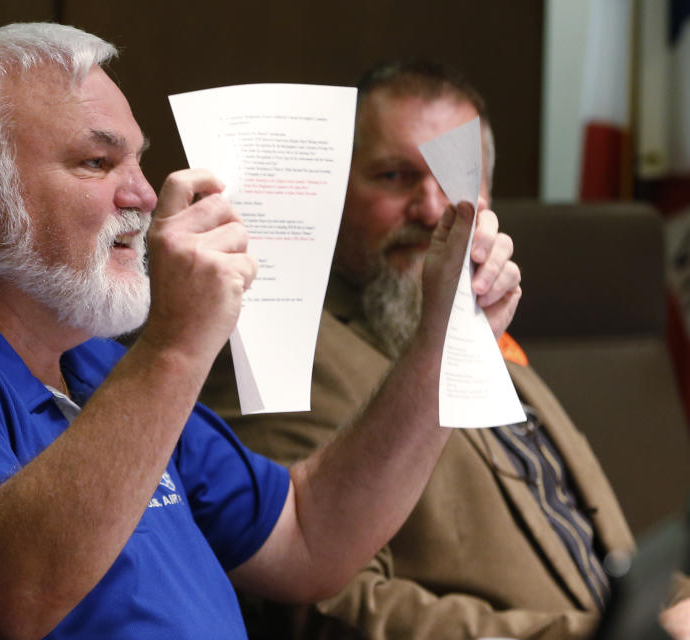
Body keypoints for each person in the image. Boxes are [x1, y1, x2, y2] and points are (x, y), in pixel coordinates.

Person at [0, 28, 521, 639]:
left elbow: (308, 539)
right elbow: (15, 596)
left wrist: (443, 341)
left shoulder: (90, 361)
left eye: (139, 161)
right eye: (98, 163)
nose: (143, 196)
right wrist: (178, 342)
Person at [200, 60, 636, 640]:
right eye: (394, 176)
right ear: (330, 189)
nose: (433, 209)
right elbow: (322, 608)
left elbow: (592, 541)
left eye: (458, 179)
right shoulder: (280, 348)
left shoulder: (478, 320)